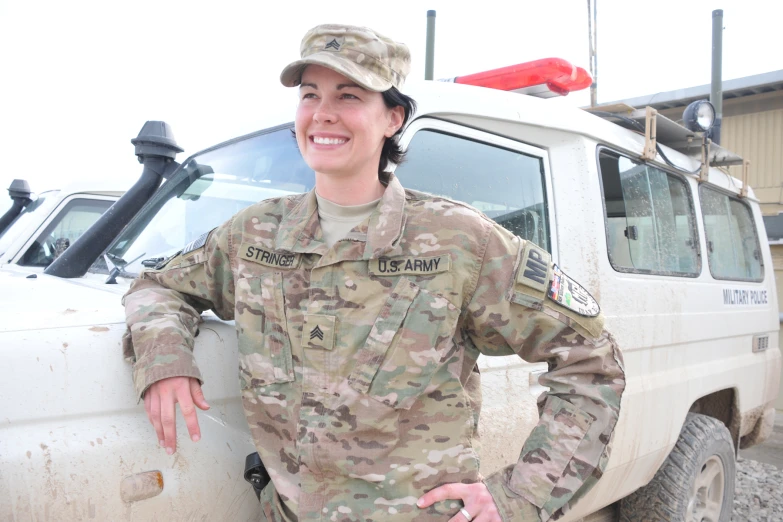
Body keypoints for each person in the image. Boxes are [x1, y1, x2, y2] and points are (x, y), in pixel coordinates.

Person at [122, 23, 626, 522]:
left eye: (349, 96)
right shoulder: (254, 235)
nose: (323, 114)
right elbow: (160, 285)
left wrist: (519, 498)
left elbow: (591, 363)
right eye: (310, 94)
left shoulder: (458, 241)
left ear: (392, 118)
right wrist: (166, 359)